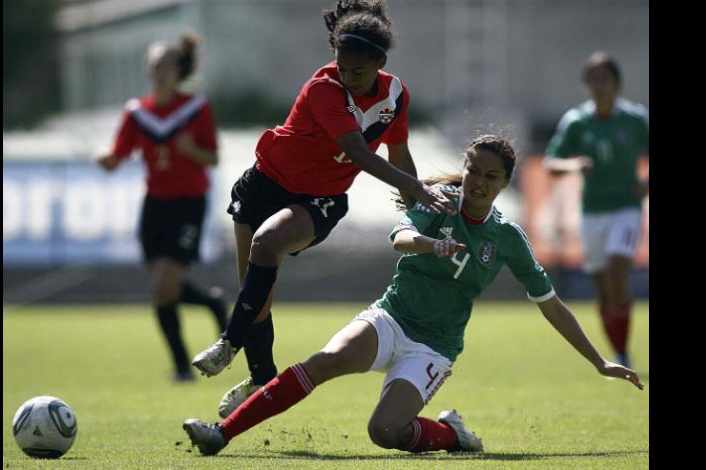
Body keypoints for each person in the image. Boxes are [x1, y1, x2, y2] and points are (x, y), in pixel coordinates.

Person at [181, 134, 644, 456]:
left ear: (505, 184)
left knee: (384, 431)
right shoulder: (434, 204)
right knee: (323, 361)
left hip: (433, 346)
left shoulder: (508, 239)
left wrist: (599, 362)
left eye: (490, 176)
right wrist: (428, 243)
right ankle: (221, 433)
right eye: (472, 171)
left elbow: (552, 306)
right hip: (391, 317)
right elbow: (399, 239)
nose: (478, 182)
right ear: (463, 170)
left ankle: (452, 436)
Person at [191, 0, 455, 415]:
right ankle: (261, 378)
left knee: (266, 245)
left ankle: (228, 342)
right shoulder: (323, 87)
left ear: (381, 65)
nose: (348, 76)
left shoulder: (395, 97)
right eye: (342, 66)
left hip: (320, 198)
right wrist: (420, 188)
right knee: (256, 294)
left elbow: (398, 154)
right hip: (264, 185)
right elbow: (359, 154)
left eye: (359, 70)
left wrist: (416, 213)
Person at [96, 33, 227, 382]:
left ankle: (184, 365)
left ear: (178, 70)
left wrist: (190, 150)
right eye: (155, 65)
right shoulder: (137, 112)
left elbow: (213, 157)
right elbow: (119, 154)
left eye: (167, 65)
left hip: (189, 204)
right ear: (147, 70)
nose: (161, 71)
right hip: (154, 205)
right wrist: (108, 160)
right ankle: (210, 311)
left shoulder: (195, 108)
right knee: (162, 287)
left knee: (163, 286)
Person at [543, 52, 649, 369]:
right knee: (603, 289)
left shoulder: (633, 119)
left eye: (605, 78)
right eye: (594, 79)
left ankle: (622, 351)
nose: (600, 85)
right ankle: (619, 351)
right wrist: (573, 164)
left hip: (626, 209)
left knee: (618, 273)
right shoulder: (578, 122)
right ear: (586, 85)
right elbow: (551, 162)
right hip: (591, 212)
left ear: (616, 83)